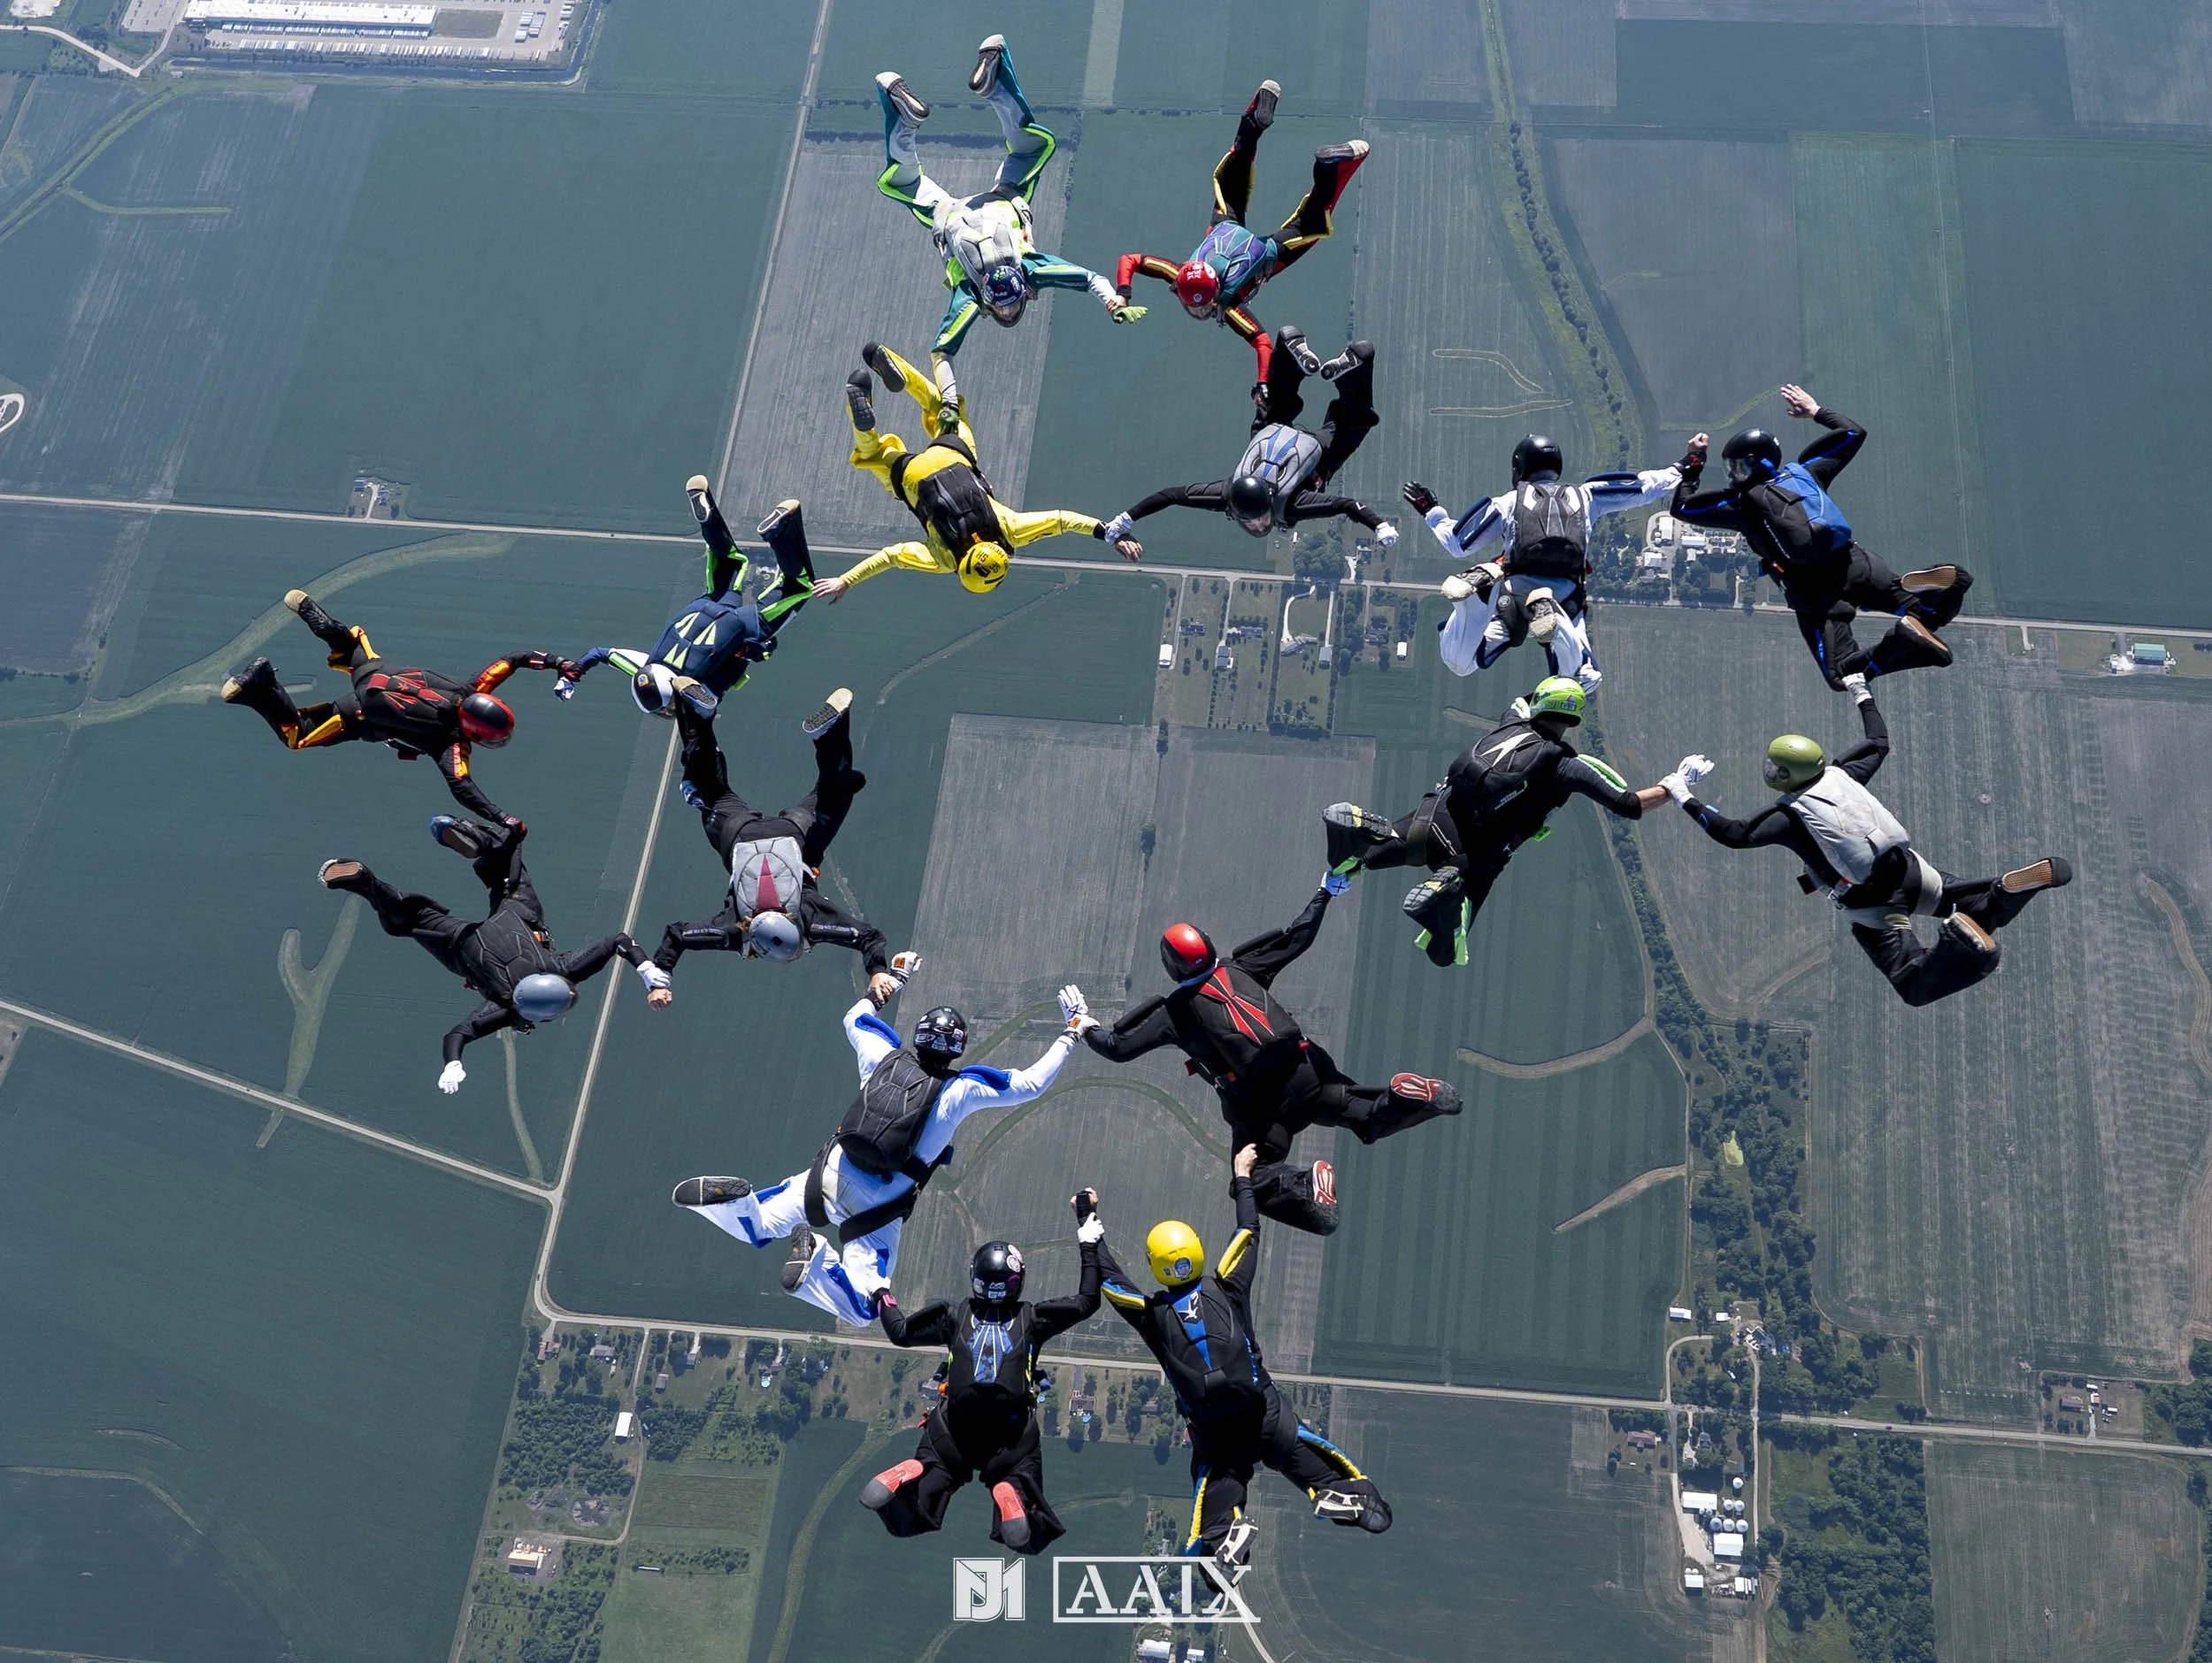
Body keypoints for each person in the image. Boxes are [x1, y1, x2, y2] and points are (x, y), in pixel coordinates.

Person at [671, 982, 1097, 1326]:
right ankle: (816, 1262)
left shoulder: (881, 1056)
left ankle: (738, 1200)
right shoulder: (960, 1090)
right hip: (878, 1208)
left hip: (829, 1175)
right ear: (957, 1049)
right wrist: (1071, 1031)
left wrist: (888, 984)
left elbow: (855, 1018)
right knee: (863, 1309)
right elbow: (1030, 1084)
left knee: (758, 1227)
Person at [1654, 676, 2070, 1006]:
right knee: (1977, 909)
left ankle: (1962, 946)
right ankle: (1998, 890)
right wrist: (1860, 690)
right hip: (1911, 871)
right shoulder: (1843, 775)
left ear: (1784, 775)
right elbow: (1878, 743)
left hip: (1874, 904)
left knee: (1914, 986)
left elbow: (1734, 835)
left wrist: (1683, 794)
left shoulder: (1787, 816)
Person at [1081, 877, 1460, 1236]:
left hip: (1264, 1112)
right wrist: (1324, 891)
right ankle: (1403, 1097)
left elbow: (1116, 1048)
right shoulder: (1241, 967)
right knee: (1358, 1112)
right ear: (1209, 945)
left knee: (1251, 1181)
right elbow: (1298, 937)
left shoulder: (1174, 1014)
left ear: (1171, 966)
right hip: (1309, 1069)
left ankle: (1304, 1184)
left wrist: (1081, 1024)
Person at [1094, 1145, 1390, 1575]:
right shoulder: (1227, 1285)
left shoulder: (1153, 1317)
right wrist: (1242, 1174)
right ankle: (1342, 1493)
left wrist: (1088, 1226)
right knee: (1309, 1458)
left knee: (1217, 1490)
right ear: (1194, 1250)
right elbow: (1248, 1228)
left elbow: (1112, 1283)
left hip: (1218, 1438)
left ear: (1157, 1267)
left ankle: (1224, 1535)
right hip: (1263, 1416)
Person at [874, 34, 1144, 420]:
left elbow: (1089, 279)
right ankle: (904, 119)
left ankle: (996, 76)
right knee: (903, 183)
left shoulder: (1031, 271)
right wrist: (948, 401)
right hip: (950, 213)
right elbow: (941, 353)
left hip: (1001, 200)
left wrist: (1114, 301)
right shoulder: (972, 295)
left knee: (1032, 148)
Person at [1323, 677, 1668, 968]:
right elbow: (1630, 805)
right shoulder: (1565, 766)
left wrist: (1568, 680)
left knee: (1371, 856)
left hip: (1431, 817)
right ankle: (1447, 896)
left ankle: (1360, 845)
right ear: (1573, 719)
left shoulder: (1510, 722)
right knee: (1443, 951)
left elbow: (1523, 700)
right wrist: (1674, 788)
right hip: (1472, 855)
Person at [318, 818, 665, 1094]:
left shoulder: (563, 970)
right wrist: (452, 1064)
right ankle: (366, 882)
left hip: (515, 917)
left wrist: (647, 970)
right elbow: (457, 1034)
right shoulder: (505, 1006)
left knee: (507, 874)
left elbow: (619, 940)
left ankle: (485, 841)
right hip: (461, 945)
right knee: (406, 921)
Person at [1670, 385, 1971, 689]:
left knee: (1841, 675)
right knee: (1926, 615)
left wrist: (1695, 460)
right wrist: (1815, 411)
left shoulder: (1742, 504)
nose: (1733, 474)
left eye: (1736, 466)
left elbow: (1682, 507)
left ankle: (1900, 640)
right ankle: (1953, 583)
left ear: (1752, 463)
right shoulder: (1806, 473)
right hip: (1857, 564)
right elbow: (1854, 433)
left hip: (1817, 594)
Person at [864, 1189, 1107, 1554]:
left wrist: (882, 1294)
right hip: (1010, 1435)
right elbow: (1088, 1300)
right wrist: (1086, 1224)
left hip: (953, 1430)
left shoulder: (952, 1317)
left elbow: (900, 1333)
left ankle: (918, 1469)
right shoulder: (1035, 1319)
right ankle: (1011, 1489)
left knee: (920, 1502)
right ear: (1016, 1282)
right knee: (1027, 1526)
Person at [223, 594, 565, 840]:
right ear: (475, 734)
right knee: (297, 735)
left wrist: (557, 662)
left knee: (348, 644)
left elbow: (513, 659)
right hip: (359, 712)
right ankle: (262, 683)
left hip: (374, 671)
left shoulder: (472, 686)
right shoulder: (450, 744)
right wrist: (501, 817)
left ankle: (312, 611)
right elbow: (463, 788)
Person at [817, 342, 1141, 602]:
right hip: (911, 477)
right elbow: (890, 557)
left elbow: (1062, 520)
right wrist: (845, 581)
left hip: (954, 454)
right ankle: (865, 424)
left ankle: (896, 367)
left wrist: (1109, 532)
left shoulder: (1011, 530)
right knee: (872, 454)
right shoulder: (944, 560)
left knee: (943, 407)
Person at [1406, 432, 1707, 694]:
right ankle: (1555, 624)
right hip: (1564, 596)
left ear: (1519, 467)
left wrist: (1432, 511)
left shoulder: (1509, 502)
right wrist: (1688, 462)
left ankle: (1470, 604)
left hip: (1512, 592)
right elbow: (1644, 486)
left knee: (1460, 662)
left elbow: (1459, 543)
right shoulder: (1588, 496)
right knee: (1585, 678)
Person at [1113, 82, 1367, 382]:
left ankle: (1327, 168)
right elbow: (1129, 260)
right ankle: (1254, 124)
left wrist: (1263, 385)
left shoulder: (1227, 304)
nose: (1202, 313)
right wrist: (1123, 293)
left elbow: (1262, 342)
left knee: (1314, 220)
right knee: (1234, 170)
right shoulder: (1178, 272)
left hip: (1268, 255)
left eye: (1203, 307)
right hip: (1226, 226)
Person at [649, 690, 896, 996]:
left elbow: (868, 936)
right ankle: (697, 714)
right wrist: (660, 979)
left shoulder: (812, 922)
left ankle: (830, 731)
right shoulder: (731, 932)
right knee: (711, 791)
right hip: (737, 833)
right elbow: (678, 935)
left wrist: (877, 972)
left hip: (795, 831)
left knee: (836, 791)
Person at [1098, 331, 1395, 548]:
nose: (1259, 525)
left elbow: (1344, 505)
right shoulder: (1226, 493)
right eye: (1255, 523)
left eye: (1257, 521)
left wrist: (1379, 525)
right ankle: (1289, 352)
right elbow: (1171, 496)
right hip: (1273, 431)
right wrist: (1126, 518)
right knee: (1275, 404)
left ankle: (1356, 360)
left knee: (1354, 422)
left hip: (1316, 455)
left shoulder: (1284, 504)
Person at [557, 482, 812, 720]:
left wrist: (761, 651)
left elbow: (716, 694)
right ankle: (707, 516)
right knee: (728, 561)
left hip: (740, 625)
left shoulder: (699, 688)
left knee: (799, 586)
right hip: (706, 605)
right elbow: (601, 653)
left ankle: (780, 533)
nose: (668, 712)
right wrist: (573, 674)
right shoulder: (644, 666)